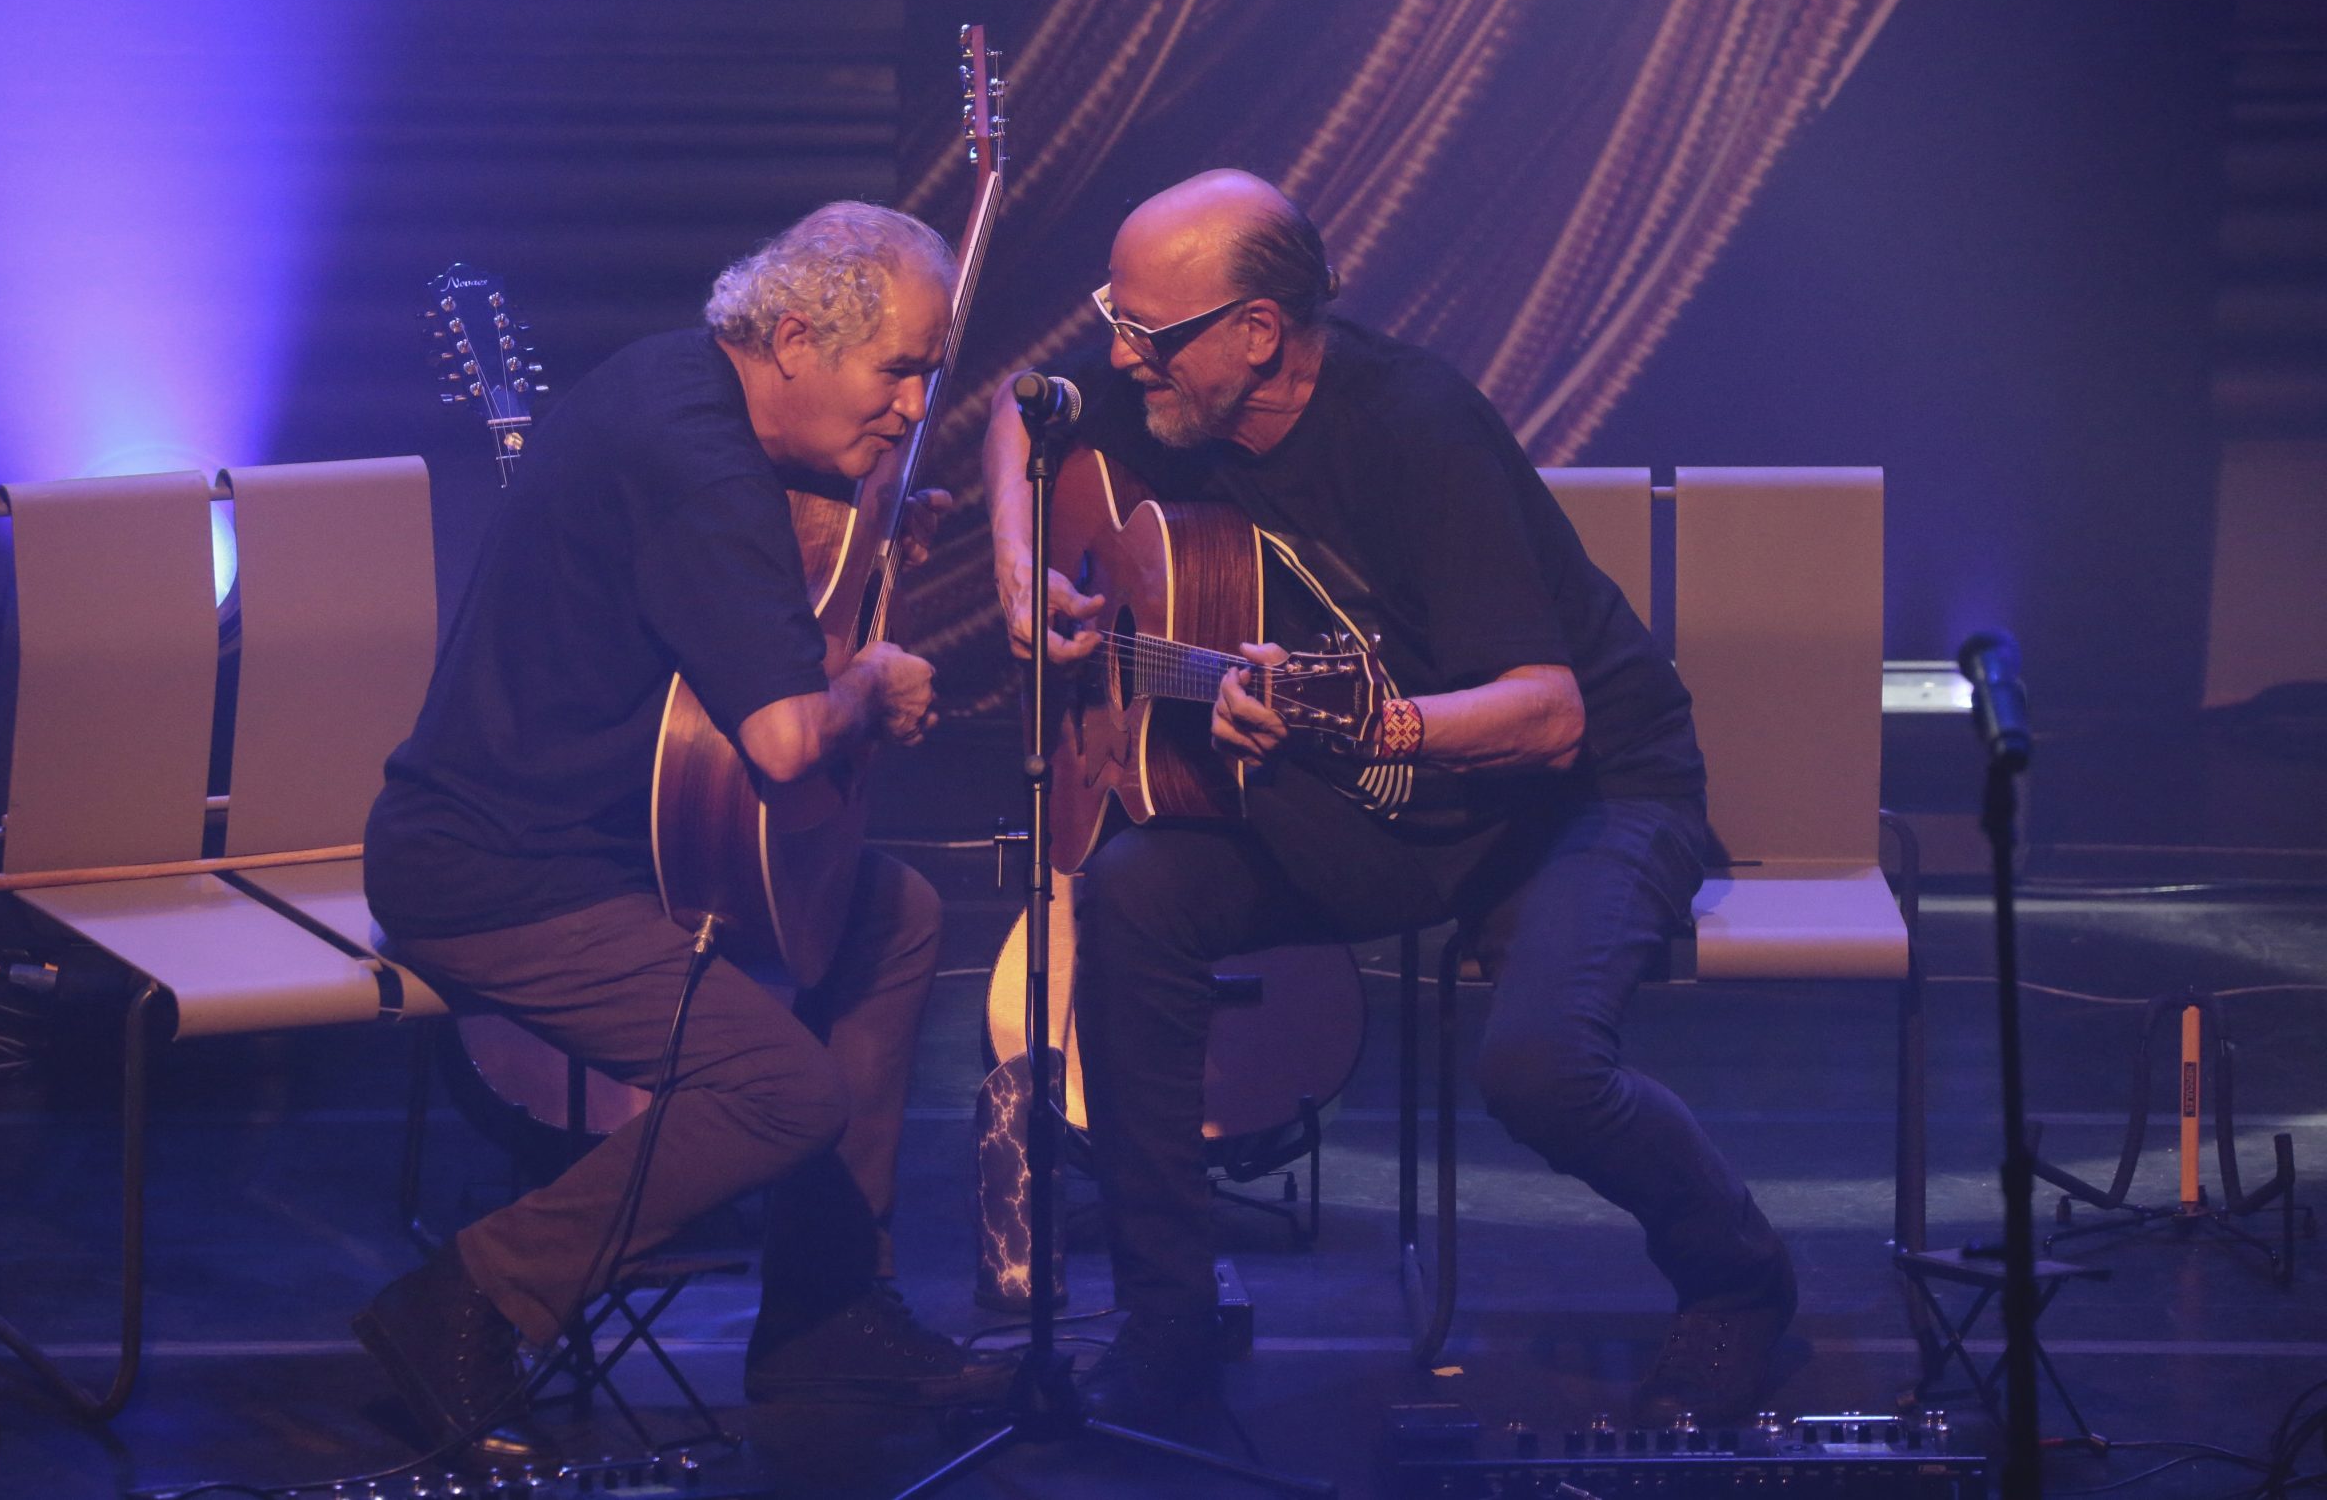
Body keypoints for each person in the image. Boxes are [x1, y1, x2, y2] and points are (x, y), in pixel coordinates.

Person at [980, 170, 1795, 1429]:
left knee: (1536, 1068)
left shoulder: (1417, 432)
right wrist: (1025, 567)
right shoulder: (1171, 407)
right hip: (1369, 804)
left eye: (1152, 331)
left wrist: (1366, 718)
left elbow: (1547, 711)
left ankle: (1738, 1281)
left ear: (1256, 333)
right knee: (1135, 893)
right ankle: (1169, 1322)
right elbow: (1018, 415)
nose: (1122, 354)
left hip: (1582, 798)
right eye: (1115, 316)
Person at [358, 201, 1012, 1450]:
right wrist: (871, 684)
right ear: (794, 335)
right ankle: (469, 1297)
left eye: (929, 373)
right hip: (499, 873)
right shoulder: (696, 460)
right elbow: (778, 739)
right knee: (777, 1092)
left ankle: (824, 1317)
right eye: (898, 370)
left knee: (892, 917)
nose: (916, 405)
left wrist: (870, 533)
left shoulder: (681, 383)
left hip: (615, 853)